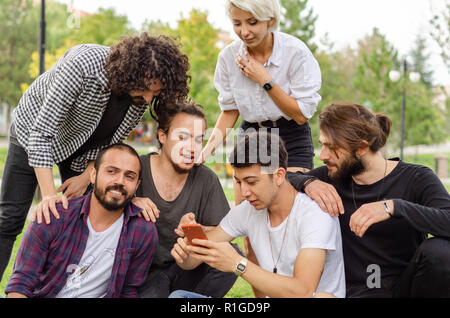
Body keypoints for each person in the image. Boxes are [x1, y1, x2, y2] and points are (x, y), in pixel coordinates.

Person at [0, 32, 190, 281]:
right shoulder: (82, 66)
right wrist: (48, 196)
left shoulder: (141, 97)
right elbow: (42, 133)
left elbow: (111, 143)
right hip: (33, 132)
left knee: (87, 219)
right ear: (131, 72)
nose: (147, 99)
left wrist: (85, 176)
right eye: (145, 89)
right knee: (10, 219)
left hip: (85, 149)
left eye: (154, 93)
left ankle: (68, 287)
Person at [287, 102, 450, 298]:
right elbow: (280, 180)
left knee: (440, 251)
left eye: (332, 147)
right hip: (355, 292)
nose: (322, 155)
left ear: (362, 148)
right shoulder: (328, 176)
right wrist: (309, 182)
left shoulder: (416, 177)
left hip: (407, 288)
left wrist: (394, 206)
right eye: (322, 144)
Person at [170, 131, 346, 298]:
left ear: (278, 176)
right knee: (179, 297)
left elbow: (303, 291)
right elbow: (195, 257)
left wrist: (237, 264)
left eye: (251, 182)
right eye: (239, 182)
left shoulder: (315, 214)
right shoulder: (248, 210)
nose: (244, 192)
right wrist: (185, 253)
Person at [4, 143, 158, 298]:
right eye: (111, 171)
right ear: (93, 175)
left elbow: (128, 291)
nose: (119, 181)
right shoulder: (53, 217)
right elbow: (21, 283)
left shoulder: (142, 231)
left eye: (129, 176)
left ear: (137, 185)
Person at [199, 0, 322, 174]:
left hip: (291, 135)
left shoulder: (296, 52)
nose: (244, 32)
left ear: (270, 20)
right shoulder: (227, 57)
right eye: (237, 23)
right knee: (247, 200)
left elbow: (301, 115)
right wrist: (204, 154)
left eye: (252, 22)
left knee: (289, 197)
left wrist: (265, 80)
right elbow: (230, 111)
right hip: (250, 133)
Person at [134, 101, 240, 298]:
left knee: (231, 252)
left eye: (199, 140)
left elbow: (224, 231)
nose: (192, 147)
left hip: (187, 268)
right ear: (162, 136)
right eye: (183, 137)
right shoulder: (136, 168)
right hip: (146, 274)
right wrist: (130, 202)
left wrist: (194, 231)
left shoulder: (205, 178)